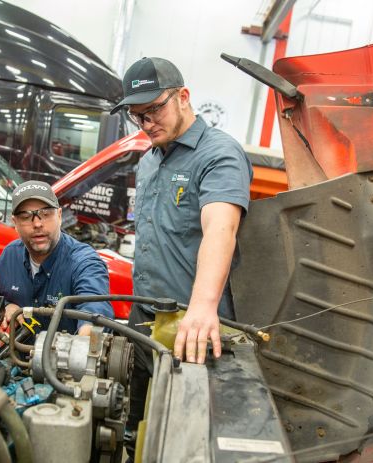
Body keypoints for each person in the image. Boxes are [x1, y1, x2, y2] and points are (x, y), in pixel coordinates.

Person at [110, 57, 252, 458]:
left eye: (154, 109)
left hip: (192, 327)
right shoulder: (149, 161)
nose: (147, 123)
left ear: (184, 97)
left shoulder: (219, 154)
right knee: (136, 427)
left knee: (185, 440)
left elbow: (220, 229)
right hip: (143, 322)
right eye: (138, 116)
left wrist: (204, 307)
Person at [0, 180, 113, 335]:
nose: (37, 224)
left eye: (45, 214)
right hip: (14, 355)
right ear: (15, 223)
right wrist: (7, 306)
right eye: (25, 216)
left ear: (59, 216)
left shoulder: (84, 261)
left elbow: (95, 308)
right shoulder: (9, 256)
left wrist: (87, 335)